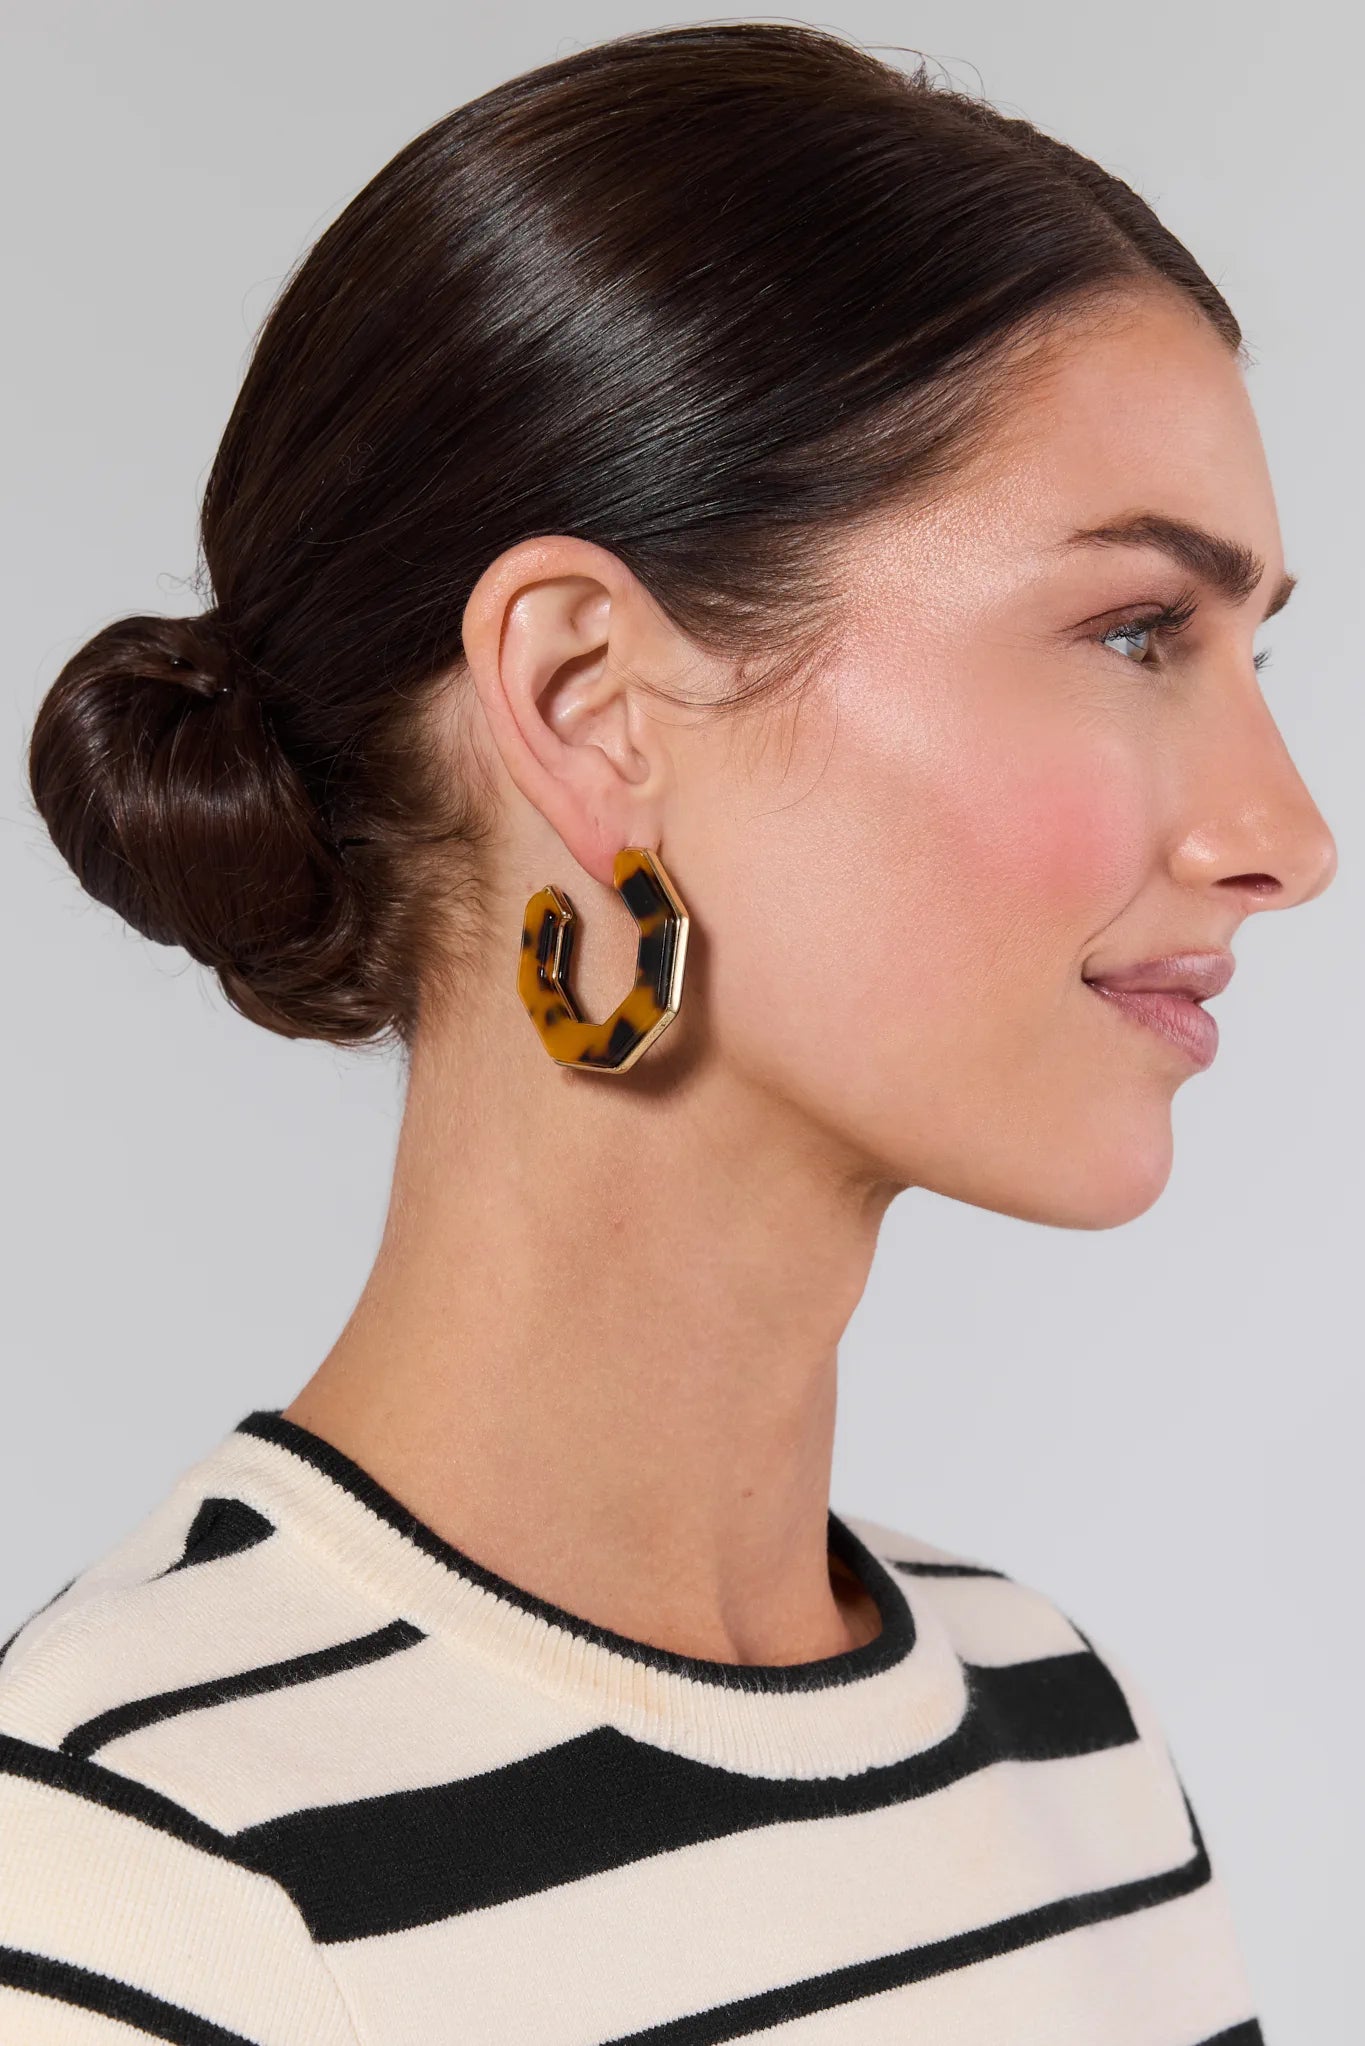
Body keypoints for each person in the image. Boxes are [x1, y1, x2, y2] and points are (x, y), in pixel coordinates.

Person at [1, 21, 1335, 2044]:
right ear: (592, 700)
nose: (1284, 840)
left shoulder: (1060, 1741)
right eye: (1136, 631)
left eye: (1248, 651)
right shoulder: (136, 1879)